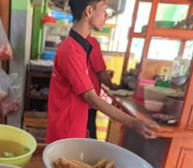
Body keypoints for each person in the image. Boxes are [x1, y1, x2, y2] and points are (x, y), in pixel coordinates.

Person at [46, 0, 159, 143]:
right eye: (104, 9)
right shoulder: (71, 51)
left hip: (73, 126)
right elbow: (91, 98)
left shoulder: (81, 47)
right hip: (67, 132)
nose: (106, 14)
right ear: (89, 11)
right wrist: (134, 123)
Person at [86, 34, 118, 139]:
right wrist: (113, 86)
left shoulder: (72, 41)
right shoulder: (91, 42)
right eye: (104, 16)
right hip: (89, 100)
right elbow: (102, 74)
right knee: (90, 134)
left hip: (79, 100)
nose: (105, 18)